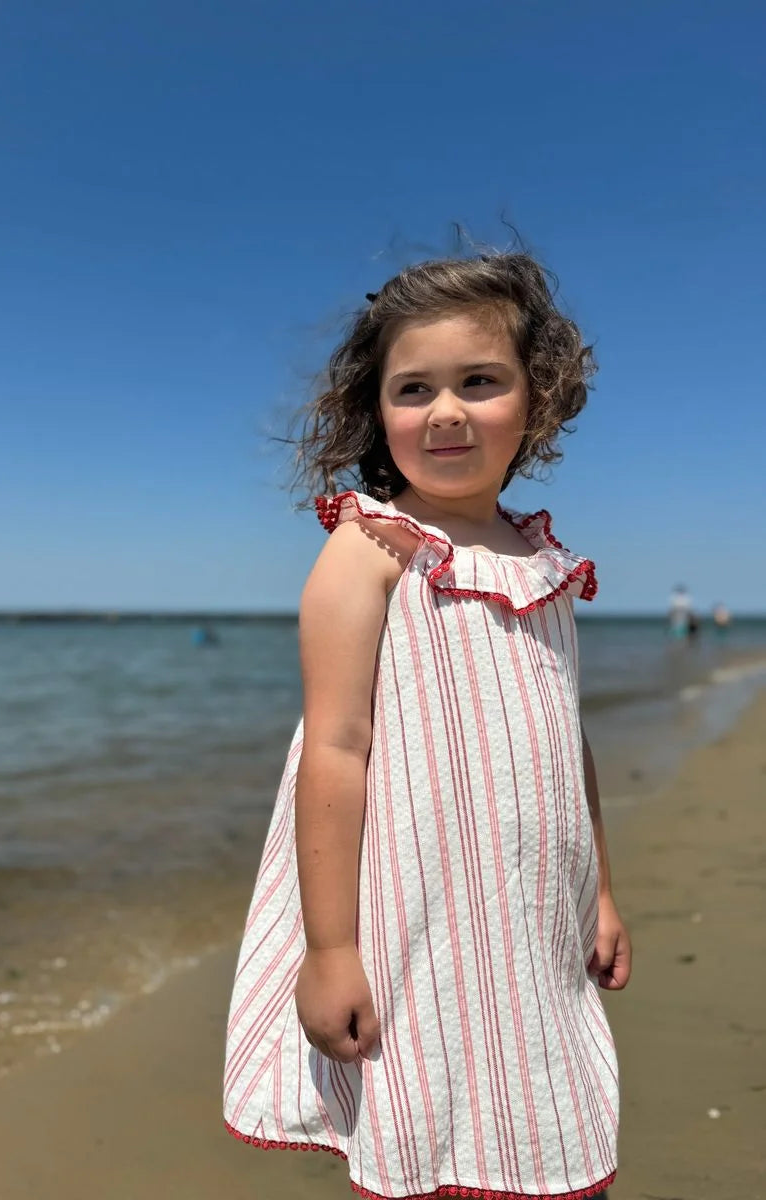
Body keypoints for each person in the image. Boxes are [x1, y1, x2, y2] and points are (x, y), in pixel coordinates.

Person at [223, 252, 631, 1200]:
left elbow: (568, 745)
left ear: (539, 399)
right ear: (380, 411)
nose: (445, 411)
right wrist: (330, 952)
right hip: (416, 920)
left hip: (532, 917)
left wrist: (602, 893)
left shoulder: (547, 563)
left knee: (552, 1118)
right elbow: (334, 748)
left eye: (479, 381)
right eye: (414, 390)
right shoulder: (368, 550)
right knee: (434, 1128)